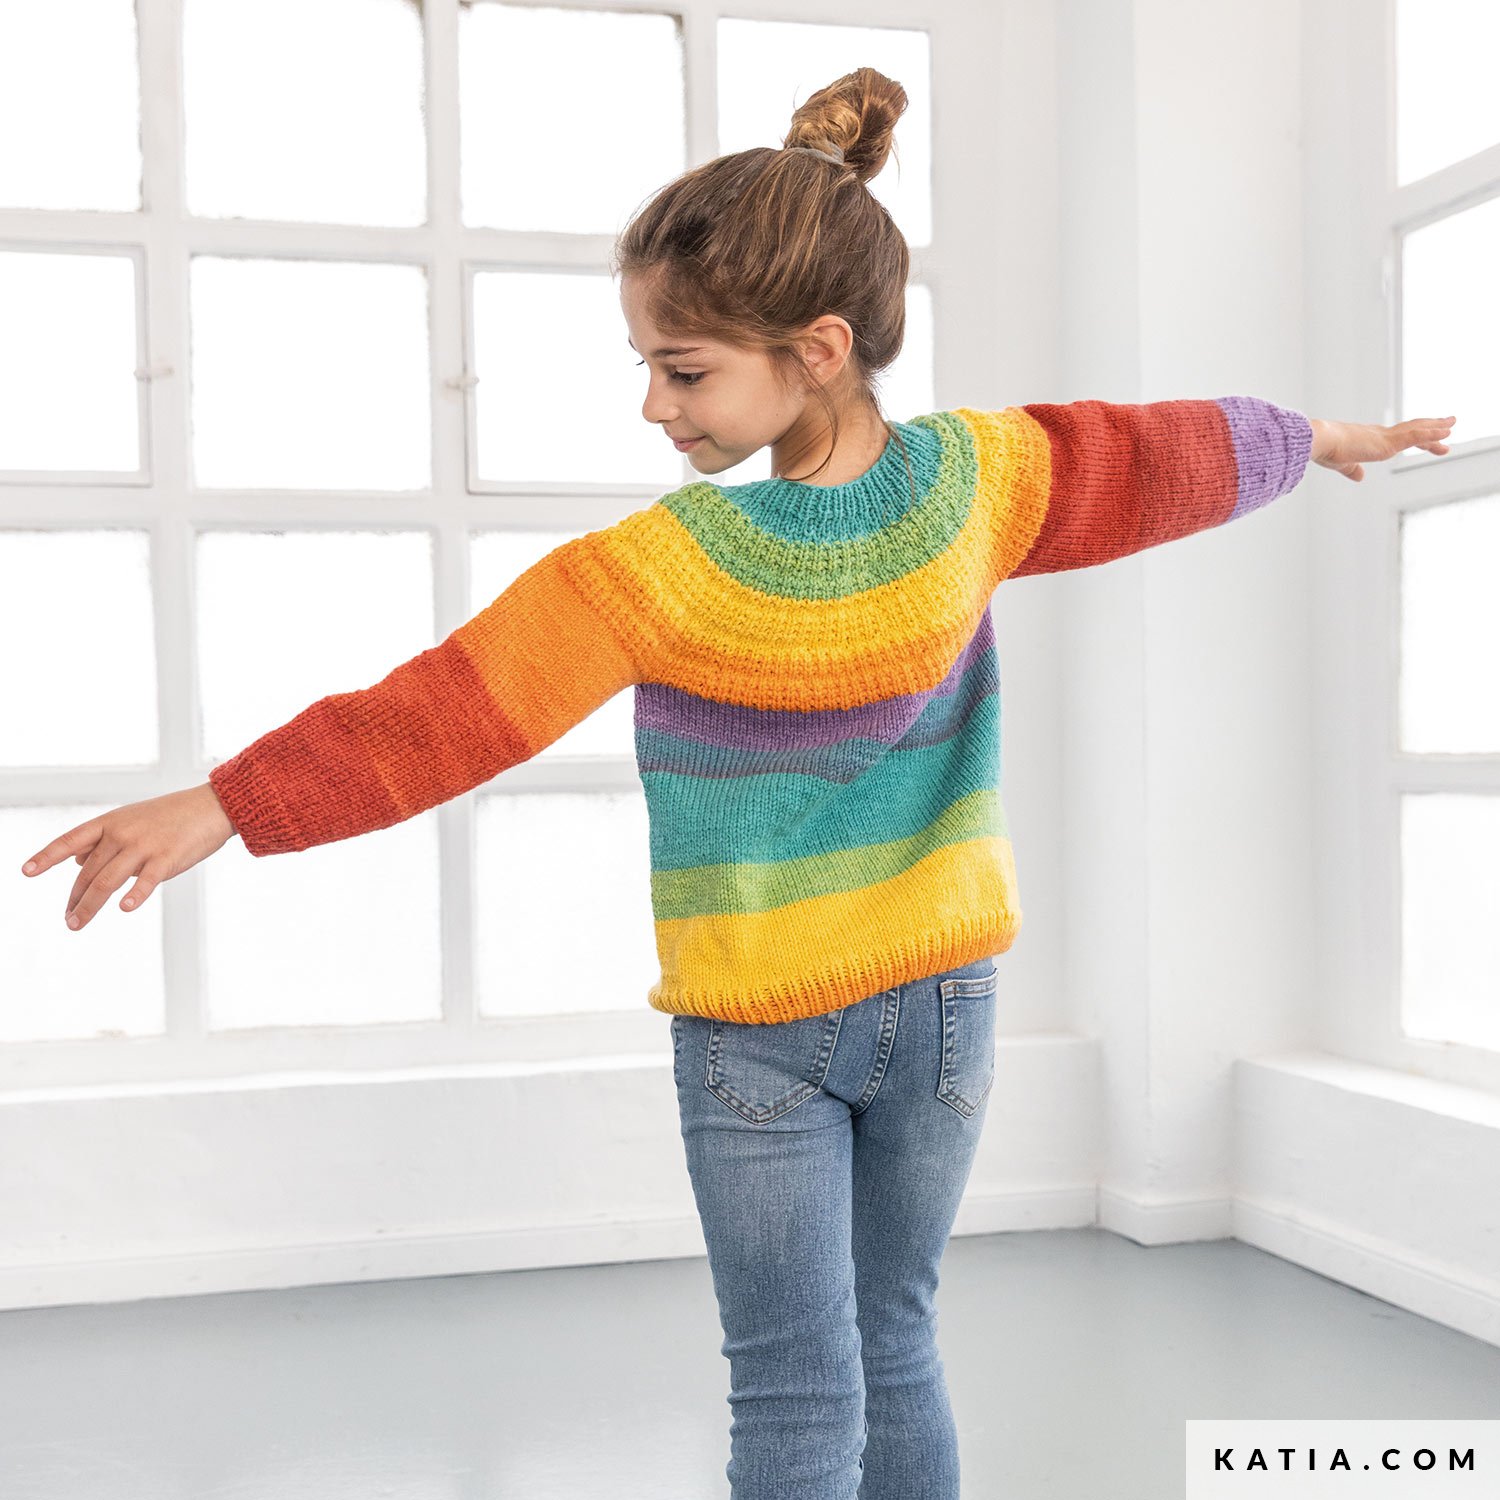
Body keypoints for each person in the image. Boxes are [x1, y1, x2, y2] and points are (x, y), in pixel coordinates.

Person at [19, 65, 1455, 1500]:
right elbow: (1159, 456)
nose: (654, 403)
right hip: (945, 1004)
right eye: (646, 365)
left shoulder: (666, 567)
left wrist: (227, 803)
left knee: (798, 1383)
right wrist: (1324, 439)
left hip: (759, 1028)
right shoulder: (983, 481)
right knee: (893, 1341)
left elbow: (450, 711)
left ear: (817, 349)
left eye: (685, 368)